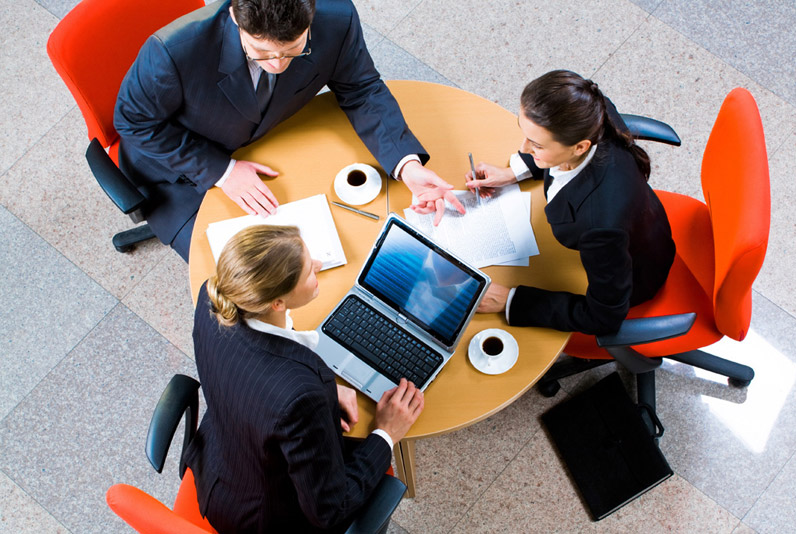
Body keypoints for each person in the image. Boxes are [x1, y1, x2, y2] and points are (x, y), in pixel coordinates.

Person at [114, 0, 464, 261]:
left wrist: (408, 165)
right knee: (250, 281)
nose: (277, 65)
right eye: (261, 52)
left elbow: (361, 89)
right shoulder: (172, 52)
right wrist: (223, 171)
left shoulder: (336, 18)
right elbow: (133, 122)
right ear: (235, 15)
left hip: (268, 139)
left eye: (294, 49)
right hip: (176, 173)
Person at [185, 224, 424, 532]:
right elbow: (329, 509)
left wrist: (324, 393)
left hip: (218, 467)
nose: (319, 266)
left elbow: (251, 380)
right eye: (309, 270)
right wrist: (387, 432)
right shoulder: (300, 396)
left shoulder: (213, 298)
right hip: (263, 519)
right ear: (277, 303)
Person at [466, 70, 676, 335]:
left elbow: (605, 318)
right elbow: (556, 146)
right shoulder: (588, 110)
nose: (523, 149)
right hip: (639, 219)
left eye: (537, 145)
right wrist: (514, 172)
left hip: (632, 272)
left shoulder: (601, 227)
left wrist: (509, 299)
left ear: (579, 147)